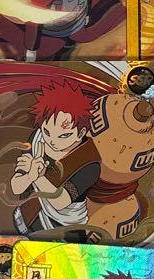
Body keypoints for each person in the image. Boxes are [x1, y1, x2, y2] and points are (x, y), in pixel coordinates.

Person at [11, 79, 101, 234]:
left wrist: (37, 177)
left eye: (64, 135)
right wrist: (29, 176)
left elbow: (60, 202)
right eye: (47, 131)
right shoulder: (38, 139)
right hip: (27, 220)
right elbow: (16, 187)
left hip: (65, 230)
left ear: (80, 133)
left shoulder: (90, 163)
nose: (52, 140)